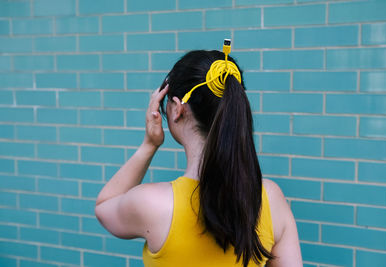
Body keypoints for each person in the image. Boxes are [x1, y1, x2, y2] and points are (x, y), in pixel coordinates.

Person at [95, 40, 302, 267]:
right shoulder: (271, 199)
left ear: (177, 109)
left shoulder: (153, 204)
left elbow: (104, 206)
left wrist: (149, 145)